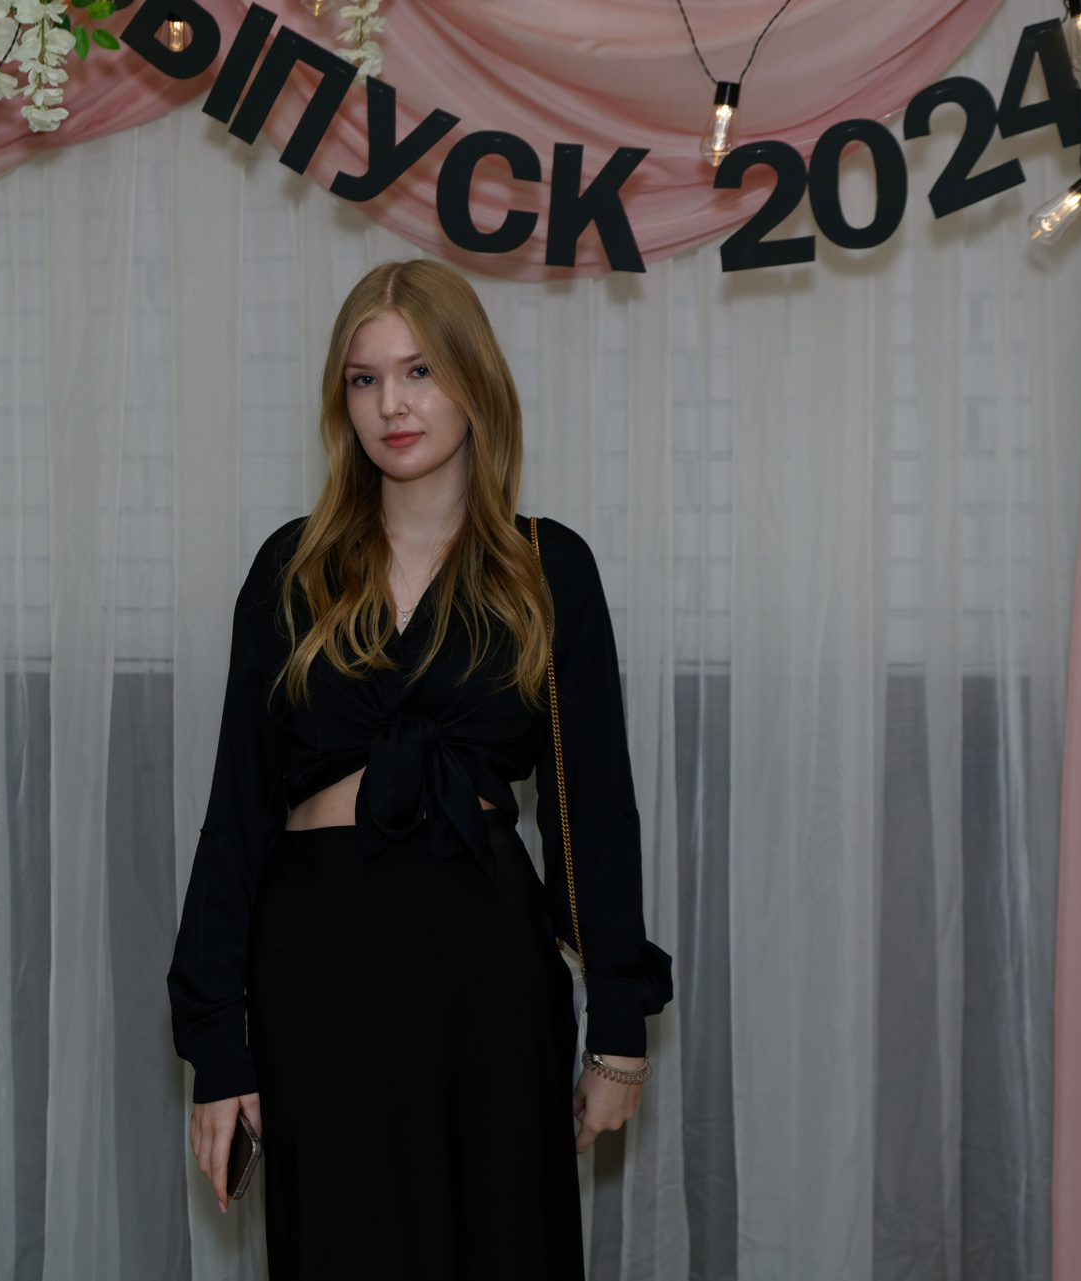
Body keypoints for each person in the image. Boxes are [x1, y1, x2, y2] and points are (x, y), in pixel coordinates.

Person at [167, 258, 673, 1280]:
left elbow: (592, 813)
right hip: (319, 975)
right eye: (364, 379)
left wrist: (618, 1033)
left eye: (419, 371)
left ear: (474, 379)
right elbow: (236, 816)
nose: (391, 404)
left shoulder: (548, 569)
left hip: (484, 972)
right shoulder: (292, 568)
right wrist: (217, 1046)